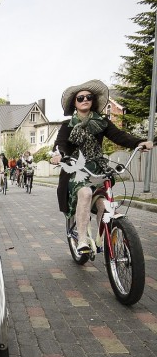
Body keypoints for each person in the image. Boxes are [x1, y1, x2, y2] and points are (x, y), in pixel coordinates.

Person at [50, 79, 153, 254]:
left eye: (88, 97)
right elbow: (60, 144)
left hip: (97, 166)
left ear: (93, 100)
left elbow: (119, 136)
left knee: (104, 205)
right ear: (74, 103)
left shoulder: (102, 122)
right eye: (80, 97)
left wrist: (139, 142)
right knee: (86, 192)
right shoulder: (67, 125)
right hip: (76, 167)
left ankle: (106, 238)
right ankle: (82, 239)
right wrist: (58, 154)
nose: (85, 100)